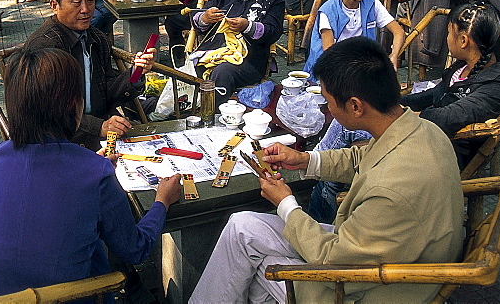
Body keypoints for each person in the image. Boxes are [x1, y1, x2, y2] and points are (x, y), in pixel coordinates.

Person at [188, 37, 464, 304]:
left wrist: (285, 203)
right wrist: (305, 159)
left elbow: (333, 259)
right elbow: (360, 157)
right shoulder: (422, 129)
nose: (326, 107)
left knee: (258, 264)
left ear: (355, 106)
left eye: (329, 101)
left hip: (375, 289)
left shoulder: (389, 192)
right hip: (373, 249)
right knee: (242, 226)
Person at [0, 46, 181, 298]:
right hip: (72, 297)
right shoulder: (94, 173)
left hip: (0, 298)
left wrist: (91, 168)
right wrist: (162, 201)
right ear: (74, 105)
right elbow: (136, 249)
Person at [22, 0, 156, 149]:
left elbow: (106, 91)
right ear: (54, 5)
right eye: (76, 2)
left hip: (98, 130)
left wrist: (135, 72)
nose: (85, 9)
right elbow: (48, 112)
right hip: (57, 140)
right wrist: (98, 127)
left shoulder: (96, 38)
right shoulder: (45, 46)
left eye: (91, 1)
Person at [401, 2, 500, 164]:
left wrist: (398, 116)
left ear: (463, 40)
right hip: (430, 137)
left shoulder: (499, 87)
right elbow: (434, 94)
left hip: (447, 155)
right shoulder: (462, 67)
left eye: (449, 33)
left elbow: (448, 118)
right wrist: (396, 102)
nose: (447, 38)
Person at [190, 0, 285, 97]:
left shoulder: (273, 1)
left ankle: (213, 115)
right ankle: (186, 112)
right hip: (214, 52)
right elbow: (197, 19)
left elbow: (273, 32)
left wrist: (248, 26)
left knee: (222, 72)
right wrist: (205, 18)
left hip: (249, 62)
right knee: (189, 69)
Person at [303, 0, 405, 73]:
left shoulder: (371, 2)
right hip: (330, 69)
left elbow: (398, 32)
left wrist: (393, 55)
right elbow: (329, 52)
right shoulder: (328, 11)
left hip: (362, 66)